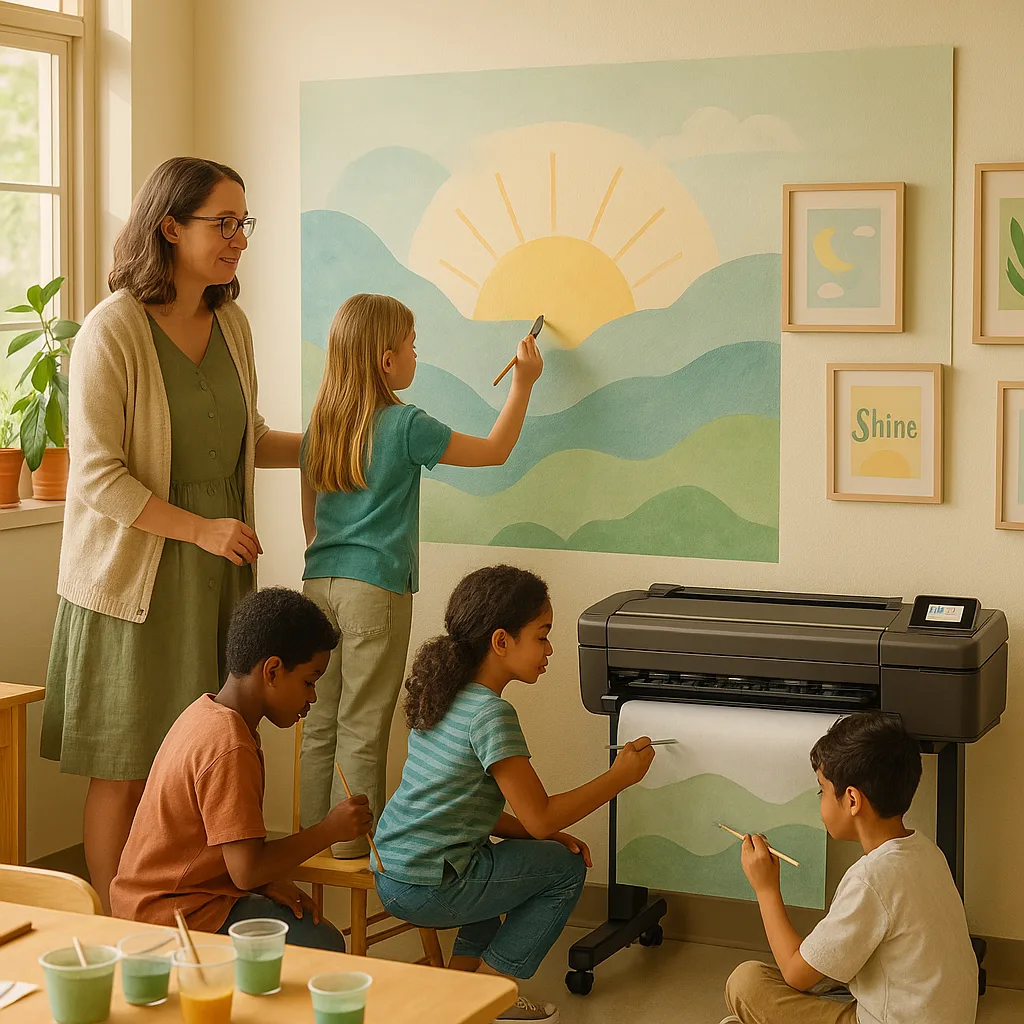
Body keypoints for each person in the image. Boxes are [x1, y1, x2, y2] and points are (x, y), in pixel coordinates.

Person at [40, 157, 302, 912]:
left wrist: (330, 445)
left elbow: (245, 437)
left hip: (215, 573)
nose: (238, 239)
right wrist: (201, 530)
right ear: (168, 227)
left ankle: (192, 919)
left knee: (201, 762)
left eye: (243, 222)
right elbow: (97, 476)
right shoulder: (112, 329)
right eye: (223, 222)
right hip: (134, 582)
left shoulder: (232, 323)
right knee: (126, 766)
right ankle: (119, 933)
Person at [298, 293, 543, 858]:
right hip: (374, 591)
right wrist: (523, 383)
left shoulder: (322, 425)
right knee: (363, 725)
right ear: (386, 359)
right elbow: (494, 450)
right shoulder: (406, 425)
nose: (416, 354)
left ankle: (313, 847)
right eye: (411, 344)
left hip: (319, 586)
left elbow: (311, 521)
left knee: (319, 725)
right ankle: (357, 856)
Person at [373, 565, 655, 1023]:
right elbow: (541, 818)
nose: (550, 649)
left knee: (493, 859)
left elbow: (457, 808)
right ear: (501, 641)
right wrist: (619, 776)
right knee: (564, 870)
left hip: (393, 871)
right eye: (542, 636)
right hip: (428, 885)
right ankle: (489, 997)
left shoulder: (446, 695)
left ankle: (460, 990)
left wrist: (535, 834)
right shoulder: (490, 714)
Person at [110, 587, 371, 949]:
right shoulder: (229, 744)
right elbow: (246, 870)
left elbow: (230, 860)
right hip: (172, 918)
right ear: (273, 670)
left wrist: (266, 883)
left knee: (307, 927)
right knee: (324, 945)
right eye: (309, 681)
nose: (312, 696)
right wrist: (330, 830)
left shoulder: (205, 713)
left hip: (155, 903)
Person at [722, 712, 978, 1024]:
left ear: (852, 800)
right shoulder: (926, 850)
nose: (820, 799)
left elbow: (795, 973)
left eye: (822, 789)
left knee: (746, 982)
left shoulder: (870, 879)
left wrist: (765, 887)